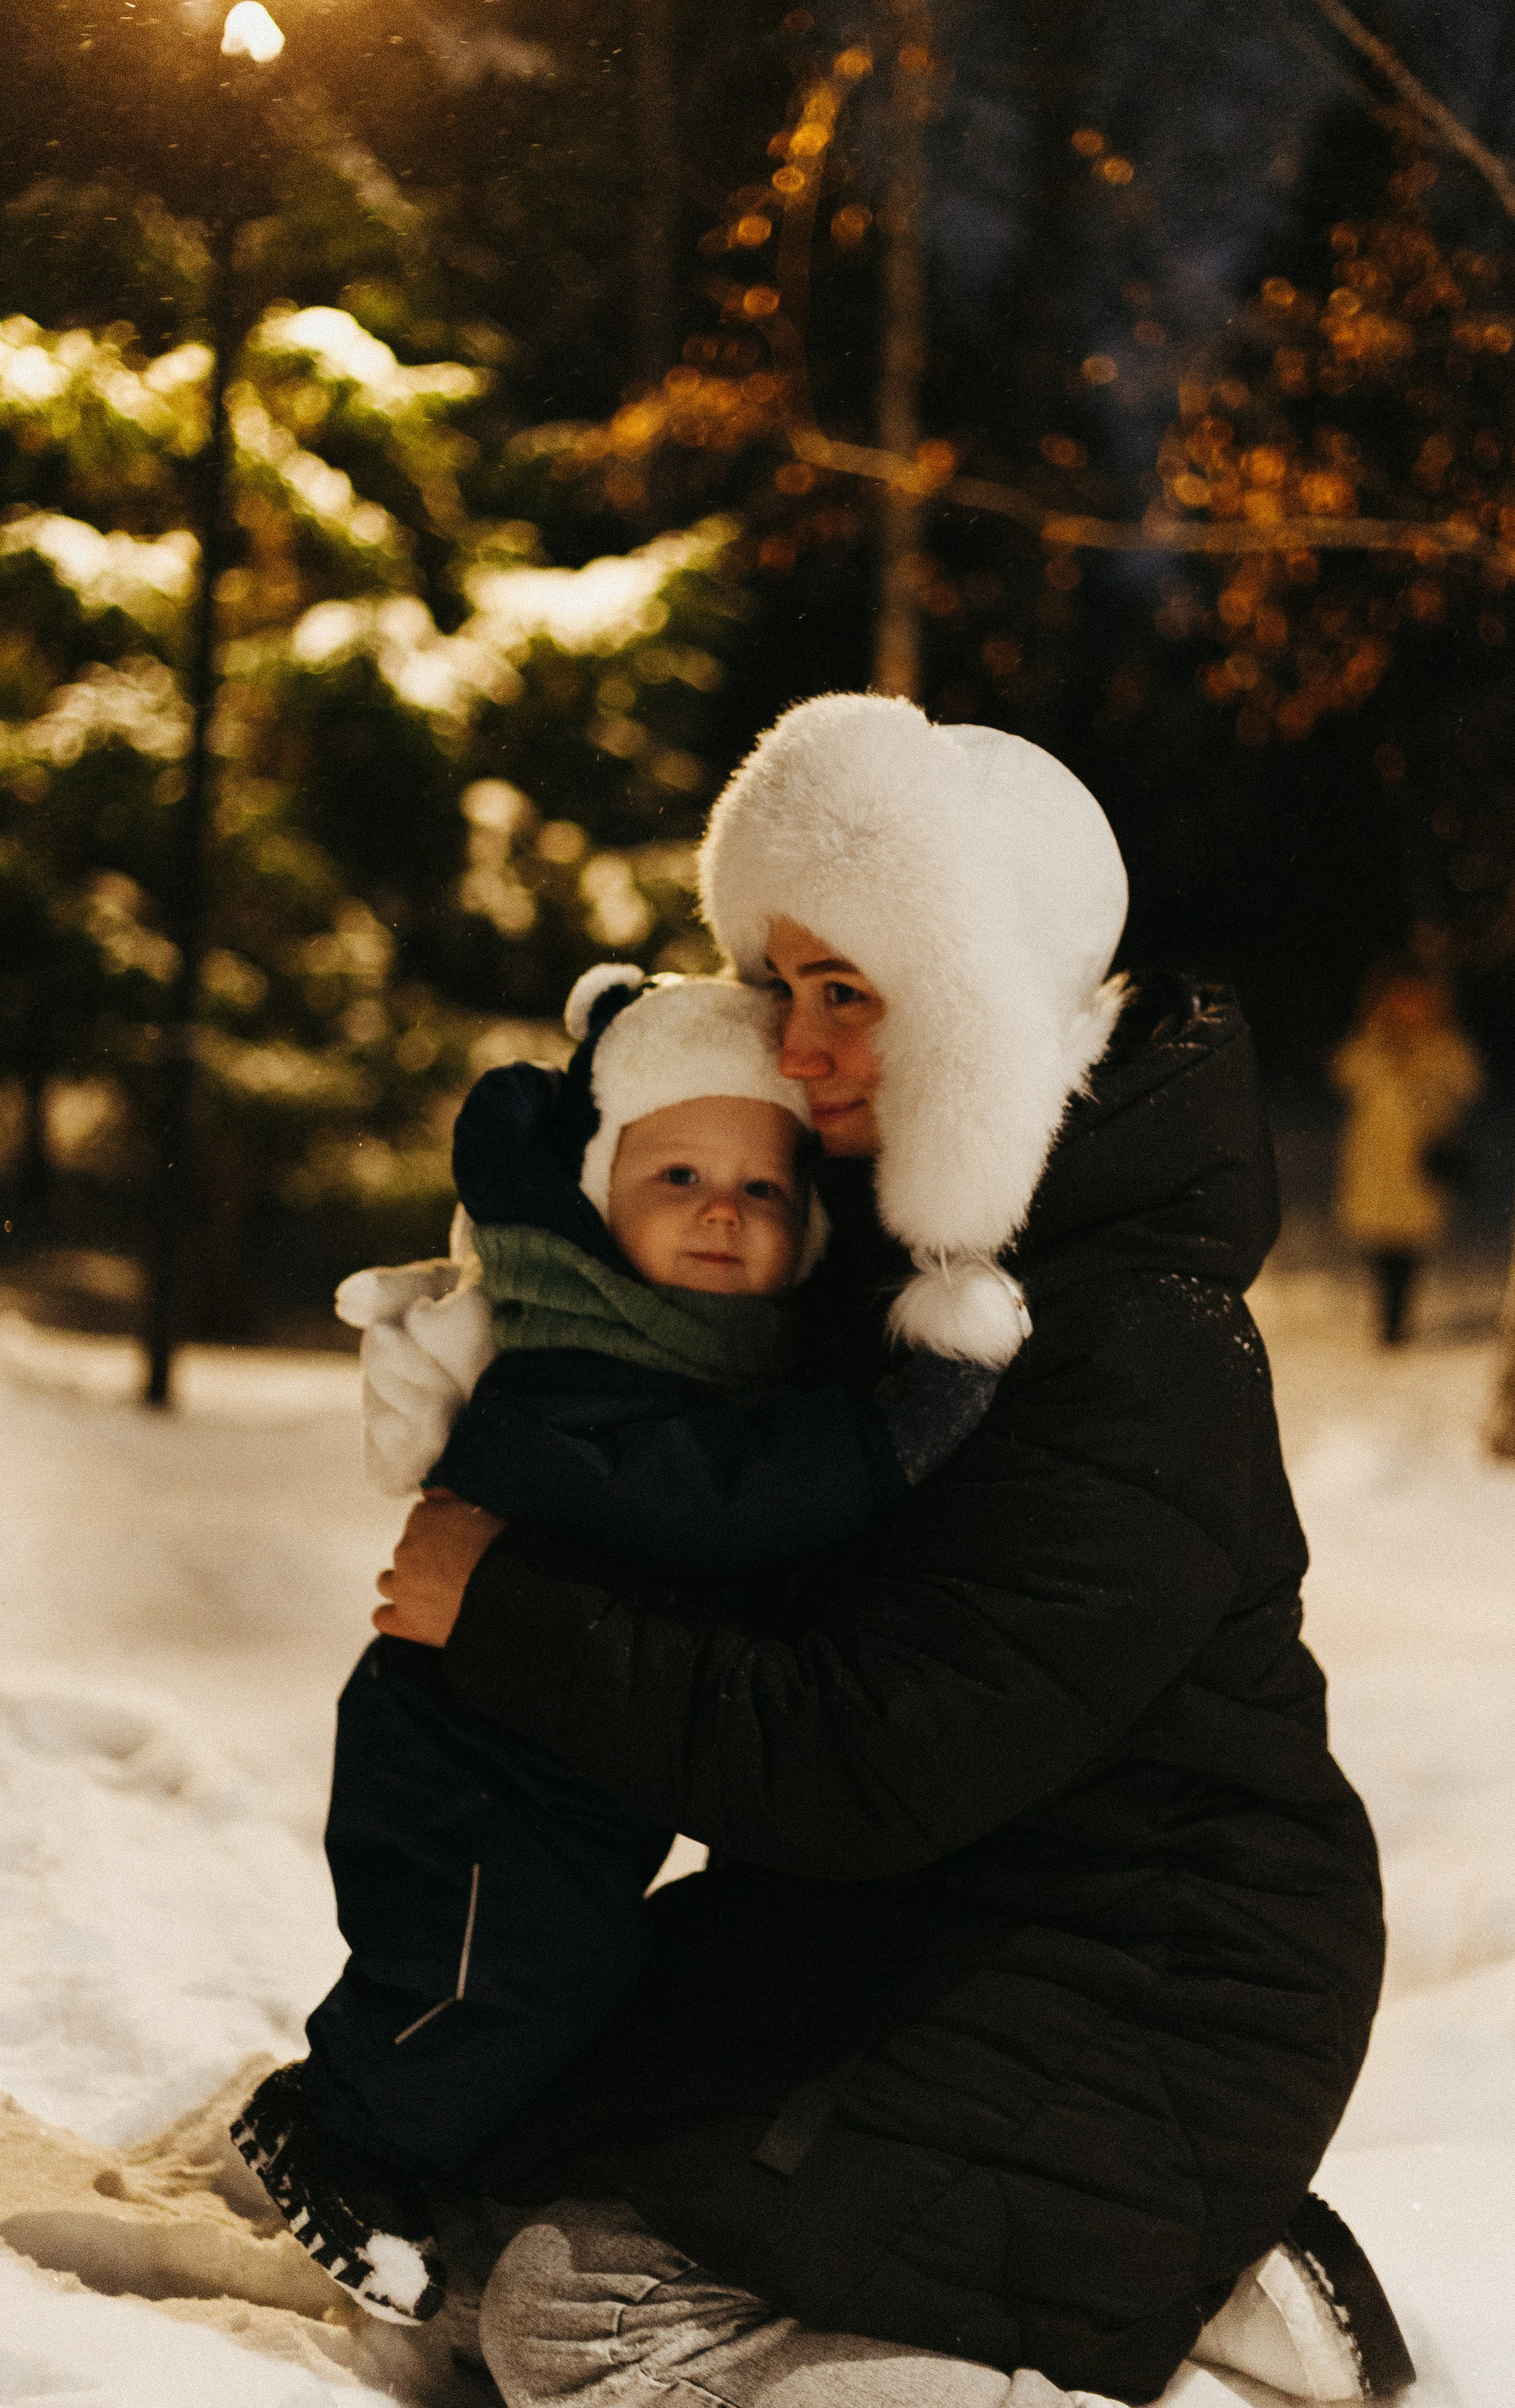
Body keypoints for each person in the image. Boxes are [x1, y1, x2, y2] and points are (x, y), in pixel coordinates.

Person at [306, 695, 1412, 2408]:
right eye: (779, 986)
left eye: (850, 994)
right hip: (921, 1913)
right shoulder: (886, 1267)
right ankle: (1168, 2251)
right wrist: (506, 1351)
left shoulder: (1133, 1345)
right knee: (479, 2157)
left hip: (1150, 1970)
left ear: (974, 1014)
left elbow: (871, 1752)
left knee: (579, 2314)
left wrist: (506, 1608)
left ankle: (1184, 2258)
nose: (795, 1046)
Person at [232, 964, 999, 2324]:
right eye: (677, 1178)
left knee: (574, 1972)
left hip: (567, 1768)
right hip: (467, 1758)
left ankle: (411, 2127)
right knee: (490, 1973)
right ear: (598, 1199)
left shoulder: (710, 1360)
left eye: (761, 1190)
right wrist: (894, 1435)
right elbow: (706, 1502)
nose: (720, 1211)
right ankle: (340, 2134)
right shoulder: (577, 1367)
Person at [1330, 962, 1483, 1345]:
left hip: (1421, 1159)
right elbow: (1345, 1074)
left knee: (1410, 1242)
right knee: (1378, 1240)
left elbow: (1467, 1084)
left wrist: (1426, 1074)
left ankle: (1396, 1322)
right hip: (1375, 1161)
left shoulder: (1446, 1046)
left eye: (1417, 1001)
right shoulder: (1372, 1042)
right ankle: (1388, 1315)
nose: (1408, 1009)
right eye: (1400, 1000)